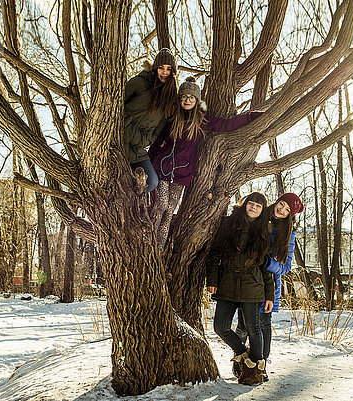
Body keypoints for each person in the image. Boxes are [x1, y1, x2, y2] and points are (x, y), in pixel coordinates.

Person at [148, 77, 263, 248]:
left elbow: (227, 124)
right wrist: (147, 164)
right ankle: (147, 241)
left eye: (191, 98)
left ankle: (157, 249)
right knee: (161, 205)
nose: (187, 100)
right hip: (163, 168)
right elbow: (157, 142)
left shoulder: (201, 120)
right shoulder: (171, 118)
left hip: (182, 173)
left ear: (196, 100)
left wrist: (251, 117)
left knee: (170, 211)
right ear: (179, 99)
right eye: (184, 97)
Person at [233, 192, 304, 381]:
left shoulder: (288, 234)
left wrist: (265, 262)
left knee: (263, 324)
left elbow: (286, 267)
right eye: (281, 204)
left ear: (291, 215)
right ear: (277, 201)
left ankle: (260, 365)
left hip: (268, 285)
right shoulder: (260, 216)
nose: (281, 210)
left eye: (287, 210)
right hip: (247, 281)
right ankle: (239, 360)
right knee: (243, 324)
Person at [206, 192, 275, 385]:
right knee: (220, 327)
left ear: (262, 211)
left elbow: (266, 266)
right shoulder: (228, 223)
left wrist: (269, 294)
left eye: (258, 206)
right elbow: (214, 253)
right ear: (244, 204)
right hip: (227, 281)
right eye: (251, 203)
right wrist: (212, 279)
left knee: (254, 328)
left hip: (252, 285)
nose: (253, 207)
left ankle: (255, 372)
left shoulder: (264, 232)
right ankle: (245, 356)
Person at [124, 48, 178, 192]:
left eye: (168, 69)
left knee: (152, 182)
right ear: (155, 68)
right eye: (161, 68)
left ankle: (131, 207)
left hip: (137, 148)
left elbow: (156, 132)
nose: (164, 72)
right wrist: (125, 127)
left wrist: (143, 141)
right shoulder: (139, 83)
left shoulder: (169, 100)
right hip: (118, 137)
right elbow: (116, 105)